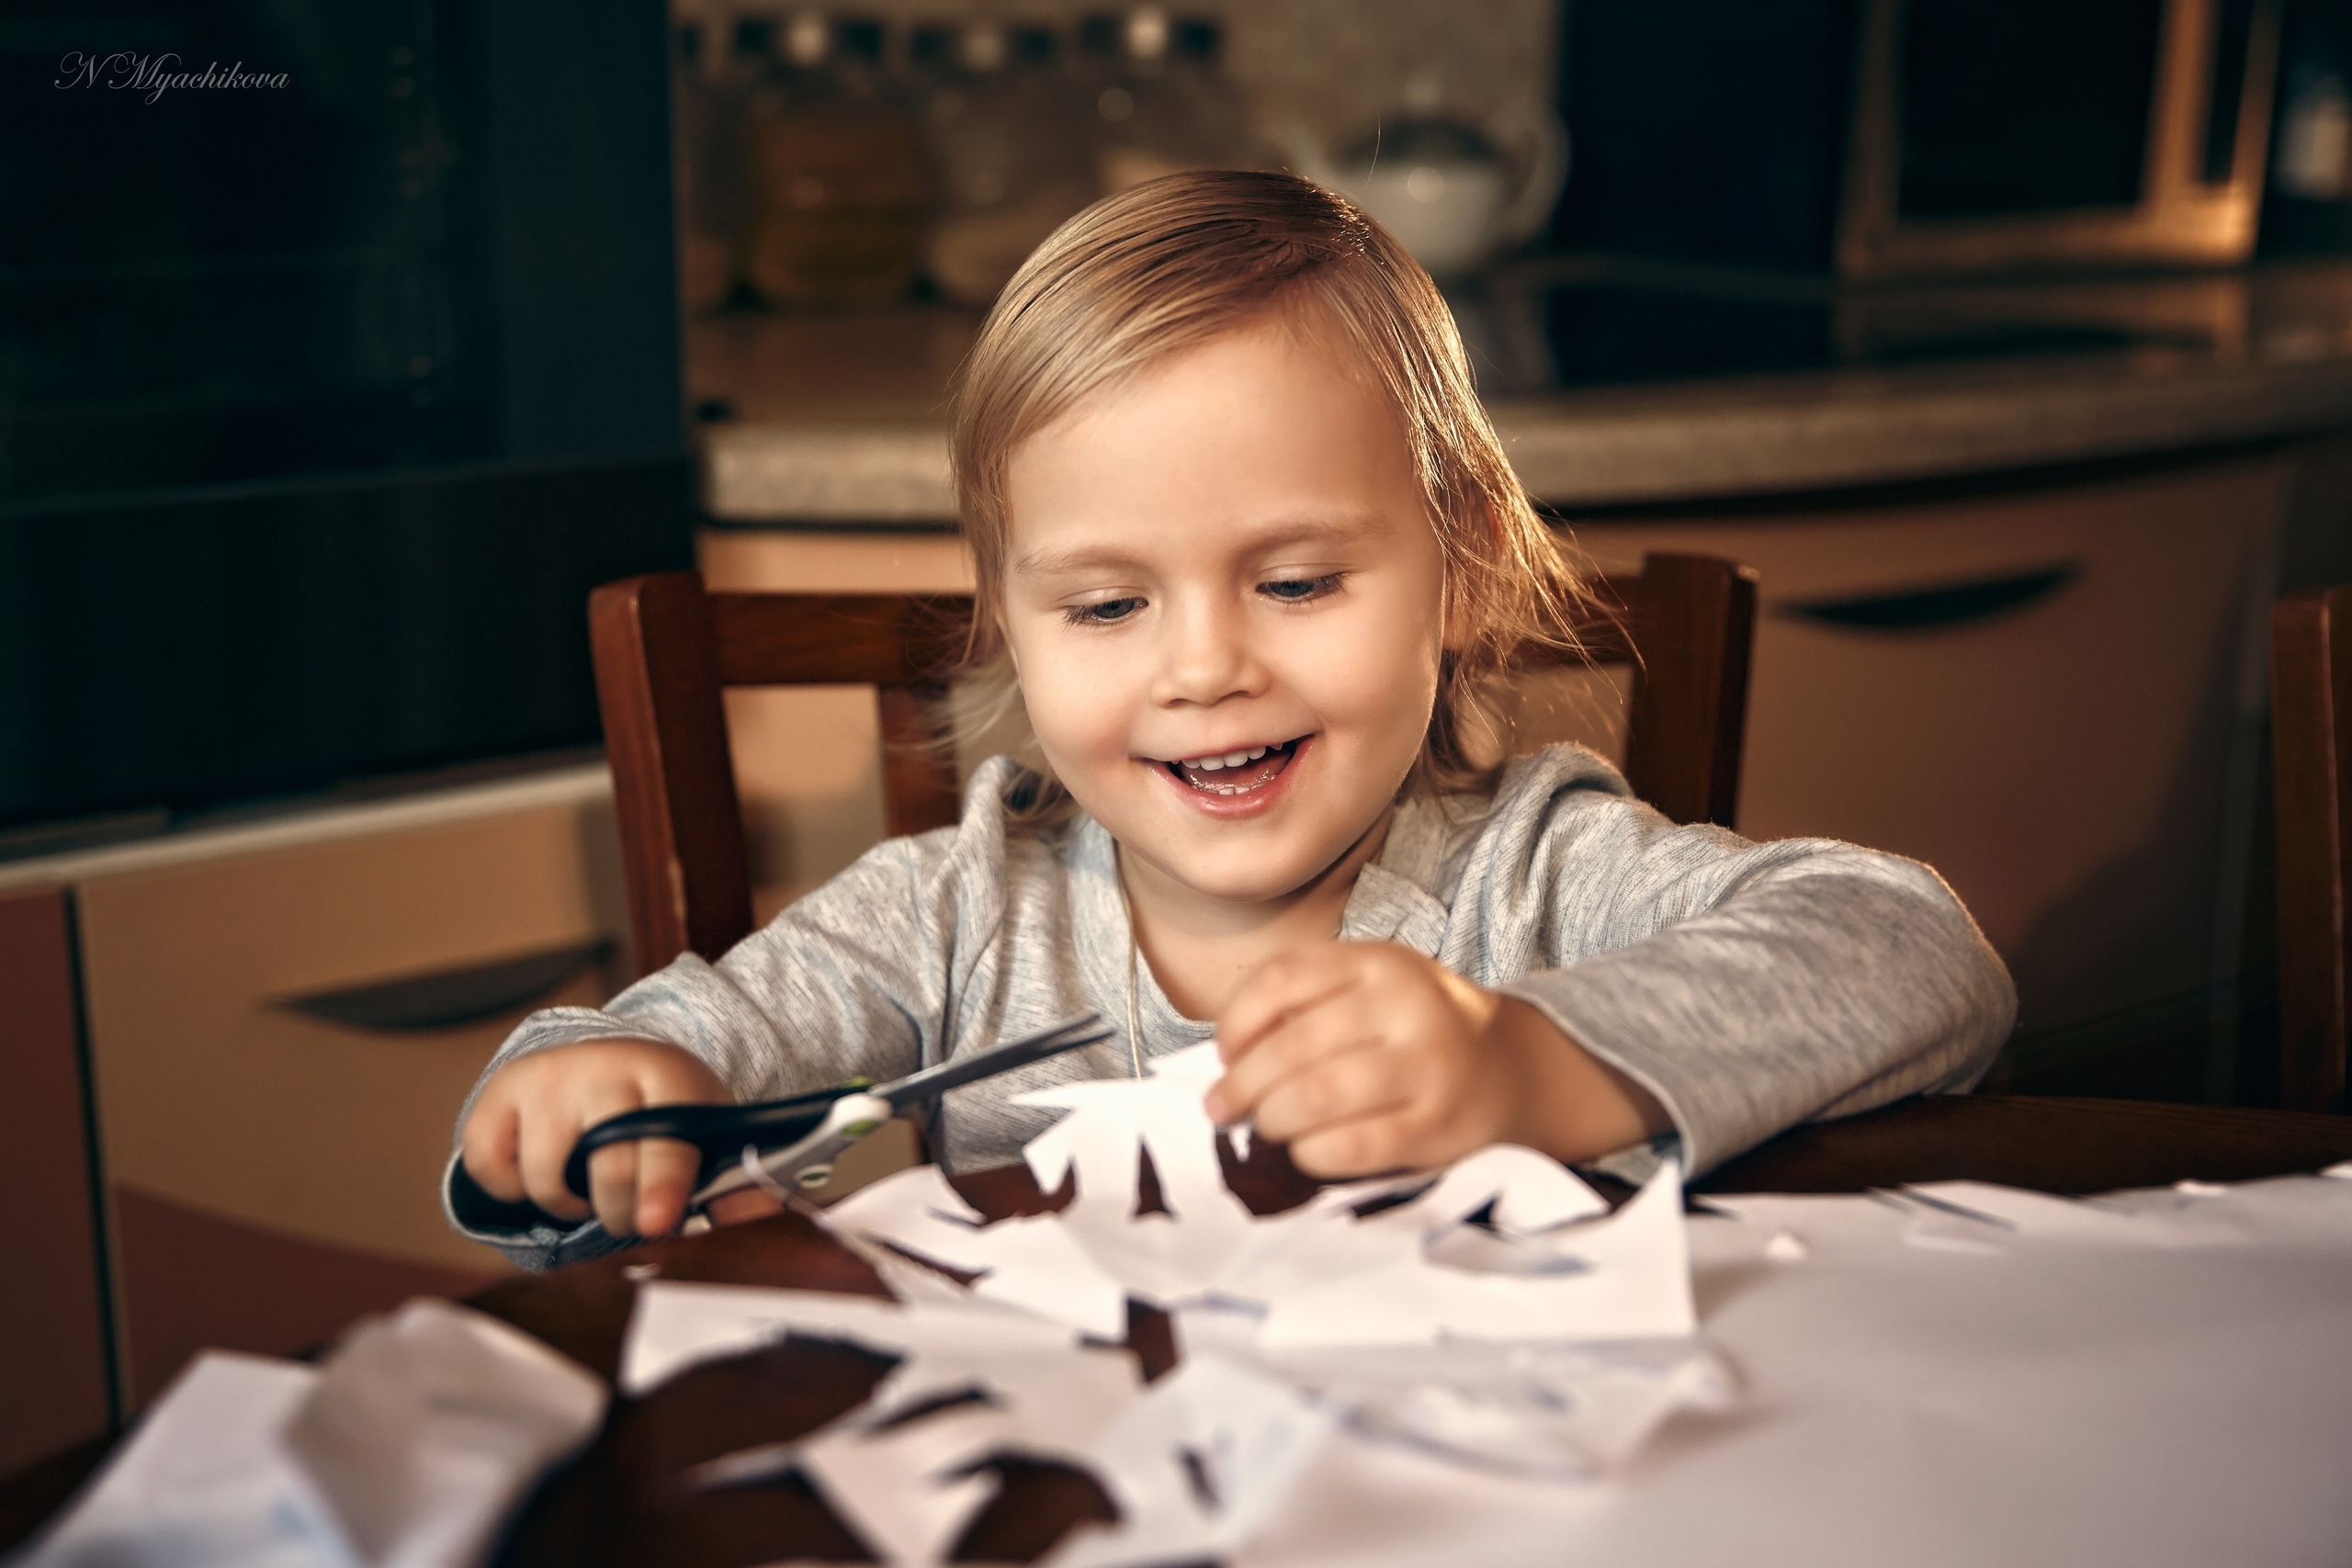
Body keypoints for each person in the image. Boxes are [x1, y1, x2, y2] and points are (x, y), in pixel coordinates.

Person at [447, 170, 2015, 1270]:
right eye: (1109, 607)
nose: (1204, 670)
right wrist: (607, 1088)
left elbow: (1921, 950)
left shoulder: (1536, 879)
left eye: (1299, 580)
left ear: (1460, 572)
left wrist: (1541, 1064)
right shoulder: (953, 917)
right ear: (1012, 625)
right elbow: (657, 1064)